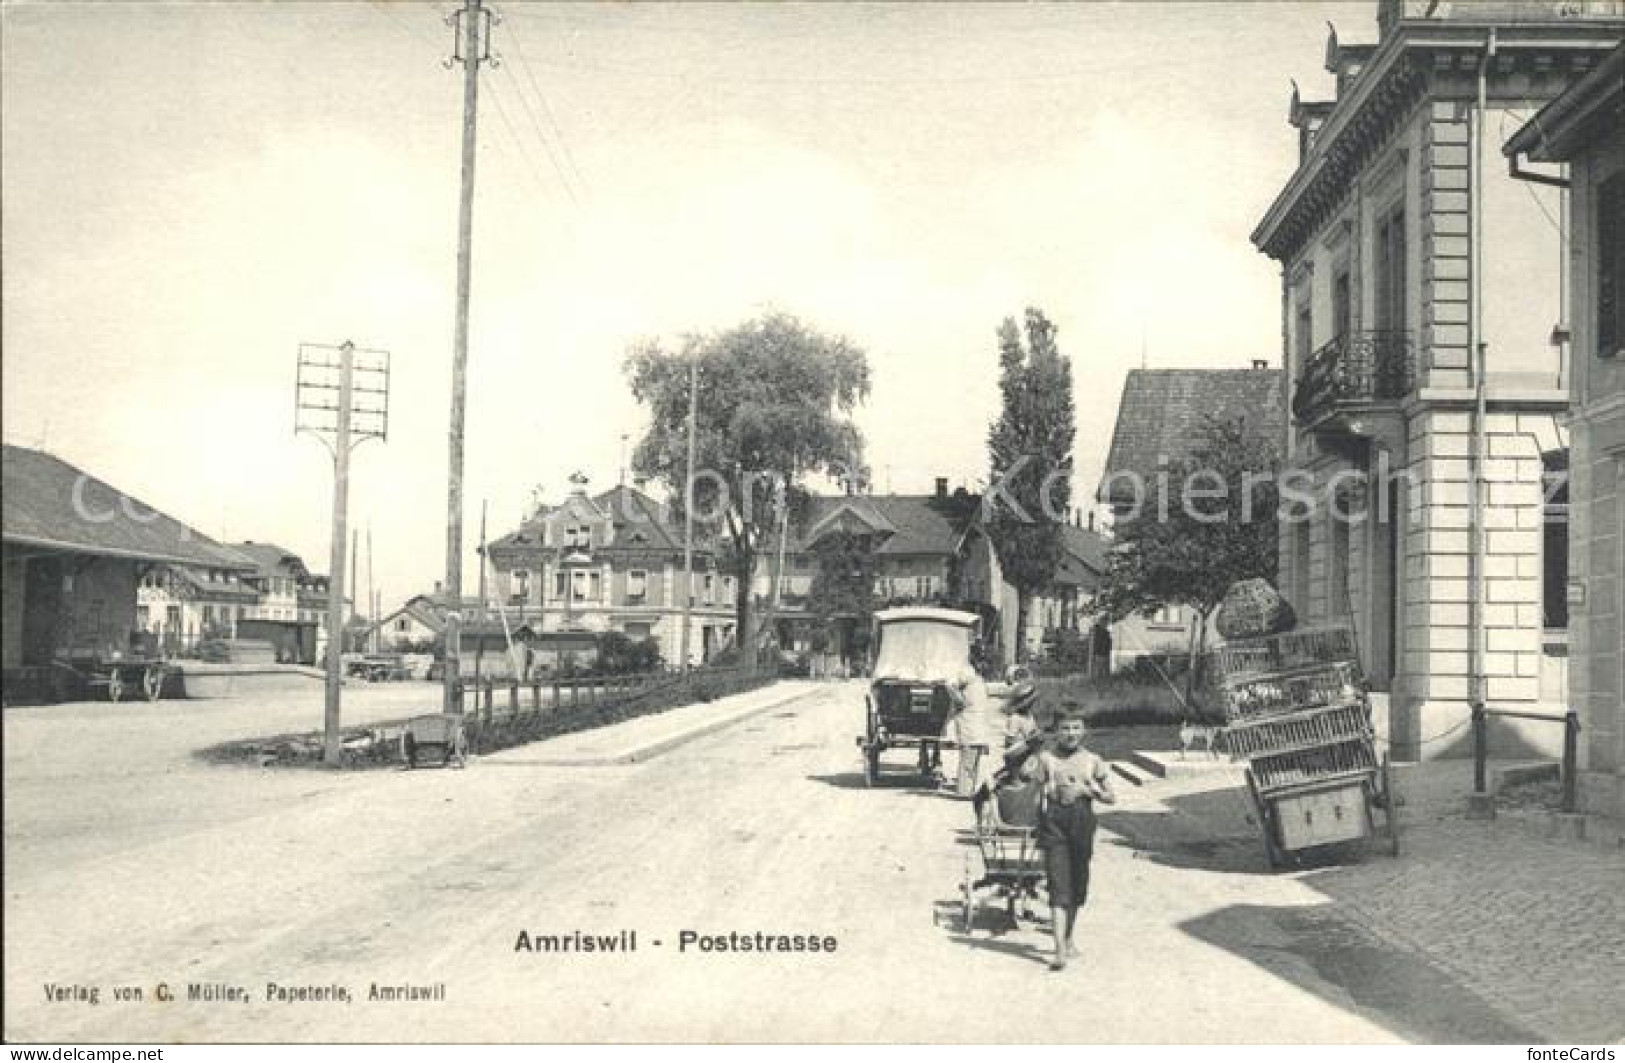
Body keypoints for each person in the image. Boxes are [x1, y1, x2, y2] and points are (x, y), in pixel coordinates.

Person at [1032, 708, 1115, 971]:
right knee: (1058, 886)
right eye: (1065, 728)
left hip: (1082, 823)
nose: (1071, 734)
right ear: (1056, 731)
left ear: (1084, 731)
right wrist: (1037, 822)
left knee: (1078, 887)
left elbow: (1111, 797)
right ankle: (1059, 952)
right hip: (1054, 825)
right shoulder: (1046, 759)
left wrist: (1087, 789)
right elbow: (1035, 795)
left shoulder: (1093, 761)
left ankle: (1067, 938)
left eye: (1076, 728)